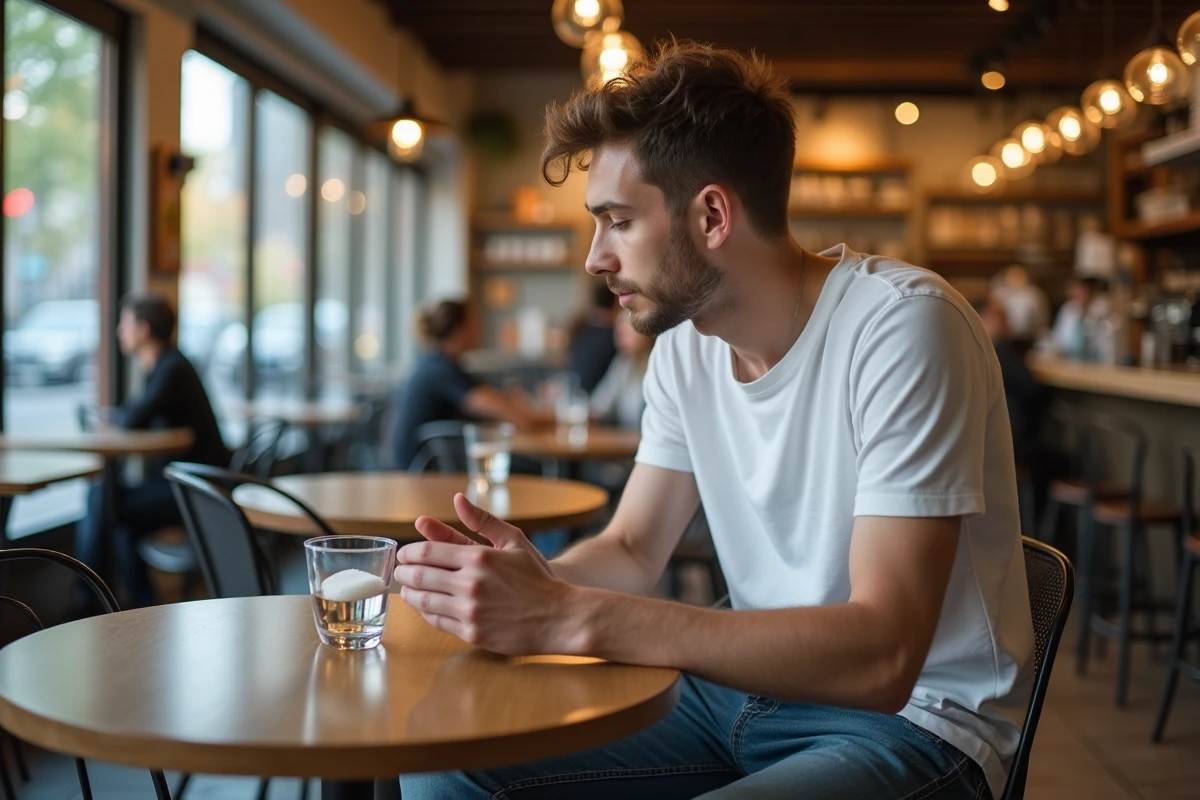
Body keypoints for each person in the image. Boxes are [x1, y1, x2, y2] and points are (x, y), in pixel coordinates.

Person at [397, 42, 1031, 800]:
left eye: (618, 222)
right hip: (737, 692)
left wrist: (571, 618)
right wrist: (525, 588)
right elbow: (632, 547)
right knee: (447, 761)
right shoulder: (685, 351)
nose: (596, 259)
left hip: (917, 725)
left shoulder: (902, 327)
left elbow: (883, 654)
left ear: (712, 215)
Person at [74, 294, 230, 609]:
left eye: (125, 323)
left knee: (104, 501)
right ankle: (135, 606)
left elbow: (132, 417)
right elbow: (133, 414)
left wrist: (109, 416)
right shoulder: (165, 365)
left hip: (198, 489)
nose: (119, 331)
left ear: (143, 330)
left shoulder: (172, 368)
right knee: (112, 508)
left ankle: (90, 603)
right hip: (183, 482)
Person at [390, 299, 548, 470]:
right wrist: (550, 419)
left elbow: (495, 401)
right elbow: (516, 416)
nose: (480, 330)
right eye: (475, 324)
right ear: (460, 329)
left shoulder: (438, 363)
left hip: (435, 462)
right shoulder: (441, 370)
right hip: (424, 468)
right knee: (536, 467)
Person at [972, 295, 1046, 471]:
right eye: (1001, 315)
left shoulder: (973, 349)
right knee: (1068, 463)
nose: (1008, 320)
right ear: (981, 317)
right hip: (1011, 442)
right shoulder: (1001, 350)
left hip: (982, 441)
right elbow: (1032, 390)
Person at [588, 311, 652, 429]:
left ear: (646, 331)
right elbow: (600, 404)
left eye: (627, 332)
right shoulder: (623, 364)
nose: (620, 338)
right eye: (619, 332)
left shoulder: (656, 364)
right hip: (626, 443)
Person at [567, 280, 619, 393]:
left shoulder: (580, 328)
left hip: (574, 392)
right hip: (595, 400)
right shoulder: (612, 337)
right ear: (616, 302)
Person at [1051, 276, 1109, 358]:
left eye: (1083, 290)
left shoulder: (1101, 308)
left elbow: (1104, 342)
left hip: (1095, 357)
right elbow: (1059, 337)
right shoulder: (1068, 309)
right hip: (1068, 356)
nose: (1079, 293)